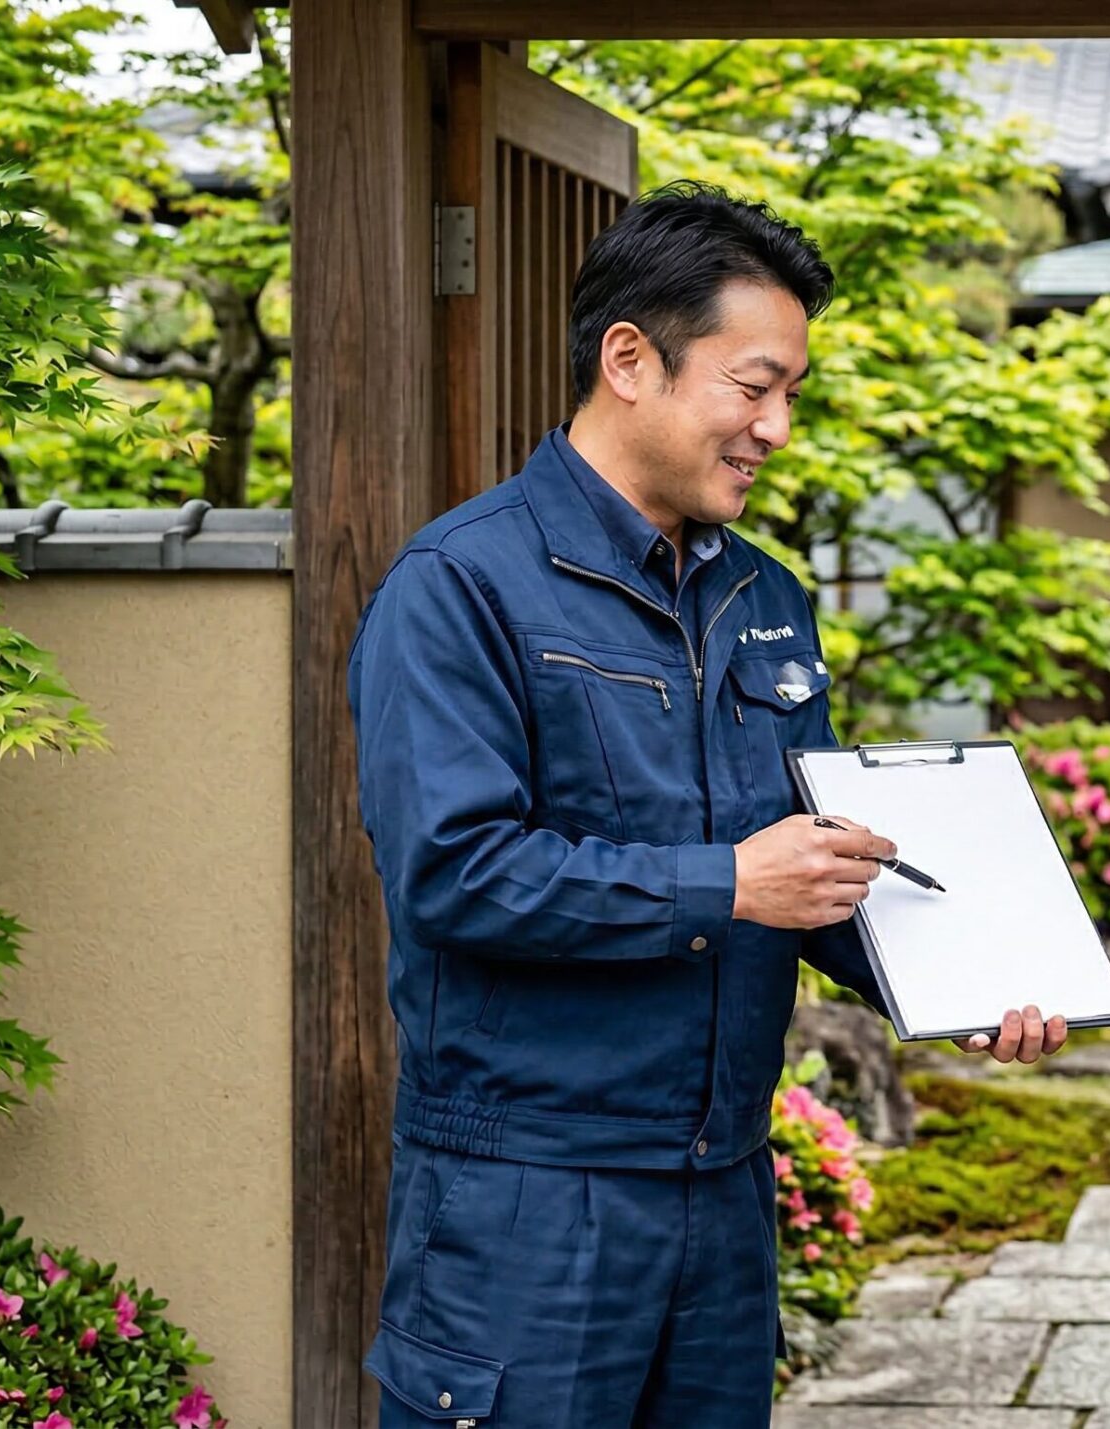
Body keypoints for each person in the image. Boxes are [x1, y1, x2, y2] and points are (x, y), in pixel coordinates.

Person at [347, 183, 1068, 1429]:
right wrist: (728, 882)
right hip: (527, 1196)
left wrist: (955, 983)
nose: (777, 427)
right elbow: (454, 873)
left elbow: (816, 863)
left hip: (724, 1185)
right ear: (630, 359)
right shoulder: (460, 584)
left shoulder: (766, 596)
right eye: (754, 386)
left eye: (792, 392)